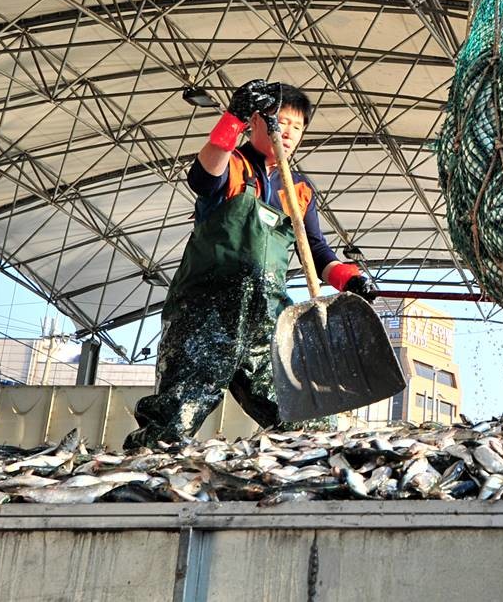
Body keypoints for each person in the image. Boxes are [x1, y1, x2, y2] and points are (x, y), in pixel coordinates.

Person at [124, 80, 378, 448]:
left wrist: (349, 279)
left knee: (306, 420)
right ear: (255, 122)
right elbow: (203, 176)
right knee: (173, 420)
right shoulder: (234, 164)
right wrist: (232, 118)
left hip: (267, 319)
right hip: (206, 312)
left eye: (297, 126)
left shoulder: (299, 189)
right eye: (280, 122)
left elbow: (318, 252)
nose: (289, 132)